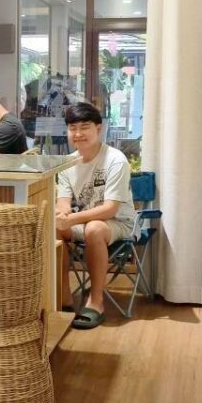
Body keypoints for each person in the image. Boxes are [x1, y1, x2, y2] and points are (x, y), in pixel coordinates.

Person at [56, 101, 137, 329]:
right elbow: (63, 203)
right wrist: (62, 217)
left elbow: (110, 209)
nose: (78, 134)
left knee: (94, 228)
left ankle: (96, 302)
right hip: (84, 220)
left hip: (119, 223)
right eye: (72, 128)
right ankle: (63, 297)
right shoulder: (67, 163)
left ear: (99, 129)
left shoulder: (115, 159)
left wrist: (71, 219)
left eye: (85, 127)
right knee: (54, 228)